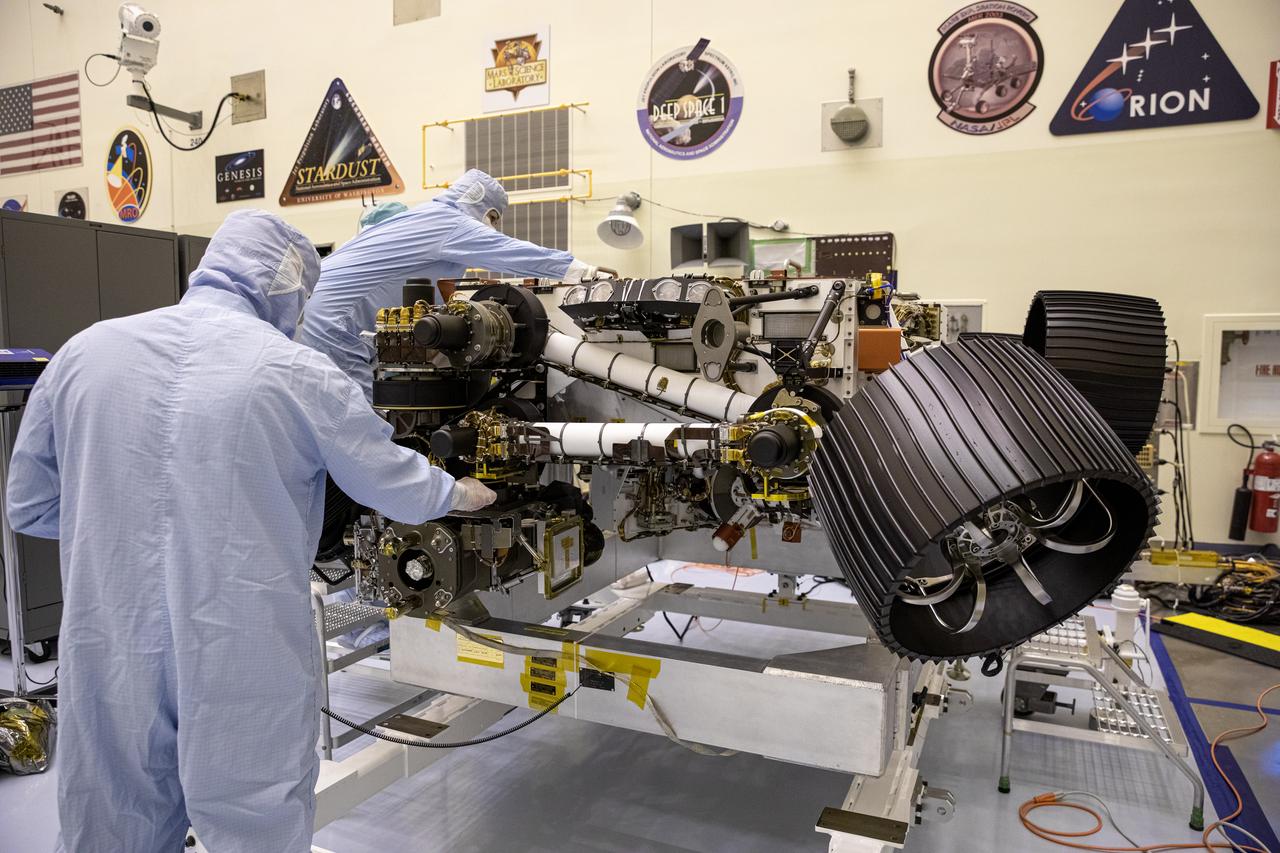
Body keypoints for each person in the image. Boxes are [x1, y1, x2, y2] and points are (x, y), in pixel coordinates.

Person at [5, 210, 496, 853]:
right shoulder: (296, 371)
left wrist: (120, 527)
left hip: (110, 636)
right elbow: (388, 482)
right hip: (240, 638)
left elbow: (29, 504)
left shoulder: (83, 353)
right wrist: (458, 492)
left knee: (112, 809)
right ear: (289, 283)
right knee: (252, 813)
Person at [298, 168, 602, 398]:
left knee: (322, 414)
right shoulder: (450, 223)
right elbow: (507, 252)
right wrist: (578, 270)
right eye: (493, 218)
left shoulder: (423, 218)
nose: (492, 226)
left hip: (309, 314)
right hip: (335, 324)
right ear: (480, 204)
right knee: (358, 429)